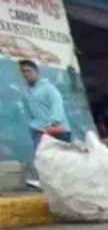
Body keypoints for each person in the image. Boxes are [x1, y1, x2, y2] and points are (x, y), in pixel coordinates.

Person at [19, 59, 70, 190]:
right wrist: (32, 124)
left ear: (36, 72)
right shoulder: (27, 91)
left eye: (28, 71)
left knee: (59, 157)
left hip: (56, 128)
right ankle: (42, 181)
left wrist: (54, 122)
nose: (25, 74)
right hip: (38, 128)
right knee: (43, 155)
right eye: (23, 71)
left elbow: (57, 104)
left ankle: (43, 180)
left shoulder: (48, 88)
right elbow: (28, 110)